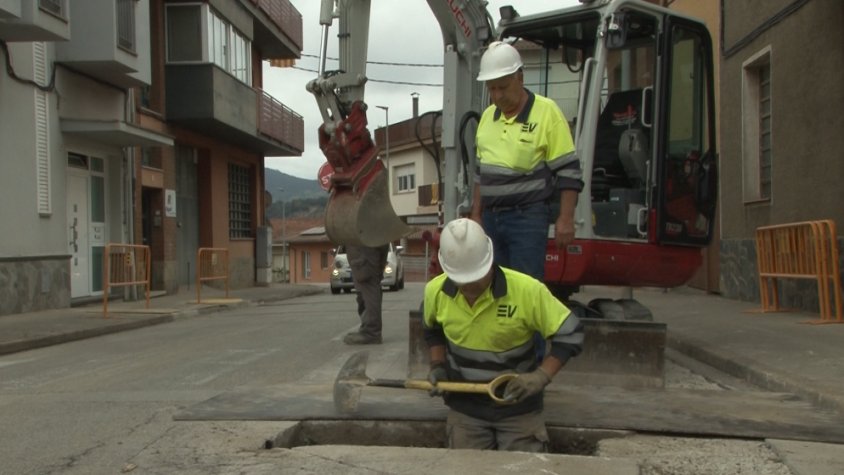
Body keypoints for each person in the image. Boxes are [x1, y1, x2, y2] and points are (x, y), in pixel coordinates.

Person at [422, 218, 583, 452]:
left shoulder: (526, 291)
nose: (470, 287)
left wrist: (540, 376)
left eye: (476, 279)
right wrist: (437, 365)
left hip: (519, 410)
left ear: (489, 261)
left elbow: (571, 334)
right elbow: (432, 328)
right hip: (466, 409)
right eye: (462, 282)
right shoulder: (435, 292)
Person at [470, 40, 583, 279]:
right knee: (494, 286)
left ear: (519, 78)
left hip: (526, 219)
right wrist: (476, 215)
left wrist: (566, 218)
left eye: (502, 87)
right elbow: (481, 173)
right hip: (490, 218)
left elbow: (569, 171)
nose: (497, 95)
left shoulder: (547, 112)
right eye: (492, 89)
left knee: (526, 287)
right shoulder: (488, 117)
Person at [343, 244, 389, 345]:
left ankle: (371, 332)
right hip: (366, 243)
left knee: (368, 284)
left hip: (366, 244)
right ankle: (368, 328)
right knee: (364, 289)